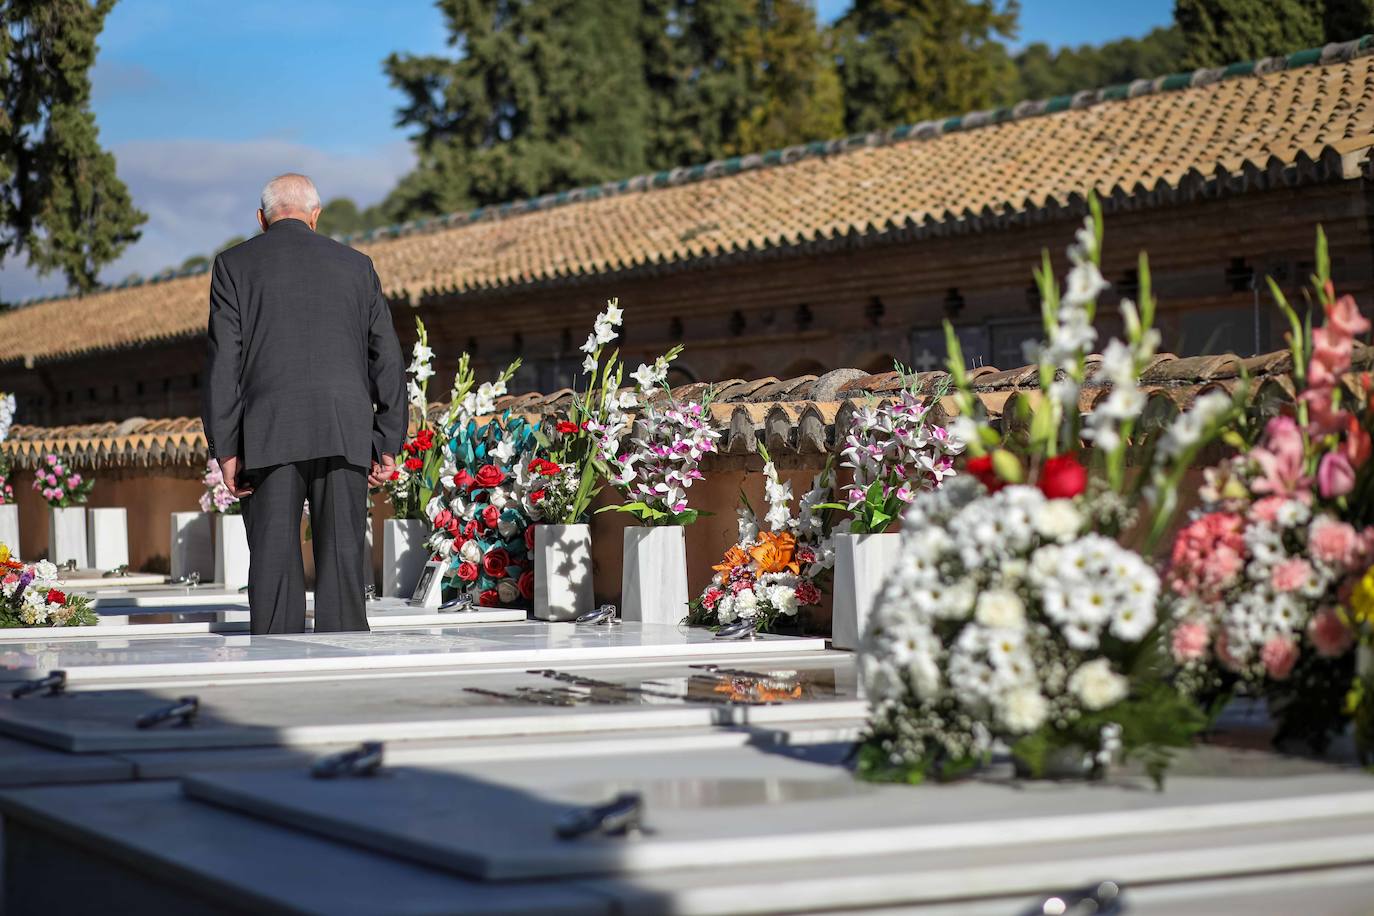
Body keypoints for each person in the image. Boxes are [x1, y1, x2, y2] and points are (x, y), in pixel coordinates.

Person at [201, 173, 405, 634]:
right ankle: (347, 672)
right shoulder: (358, 266)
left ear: (262, 219)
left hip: (268, 433)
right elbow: (387, 357)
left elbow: (222, 365)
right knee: (344, 566)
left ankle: (274, 676)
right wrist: (388, 438)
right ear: (316, 215)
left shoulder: (233, 266)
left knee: (273, 568)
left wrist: (226, 449)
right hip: (344, 431)